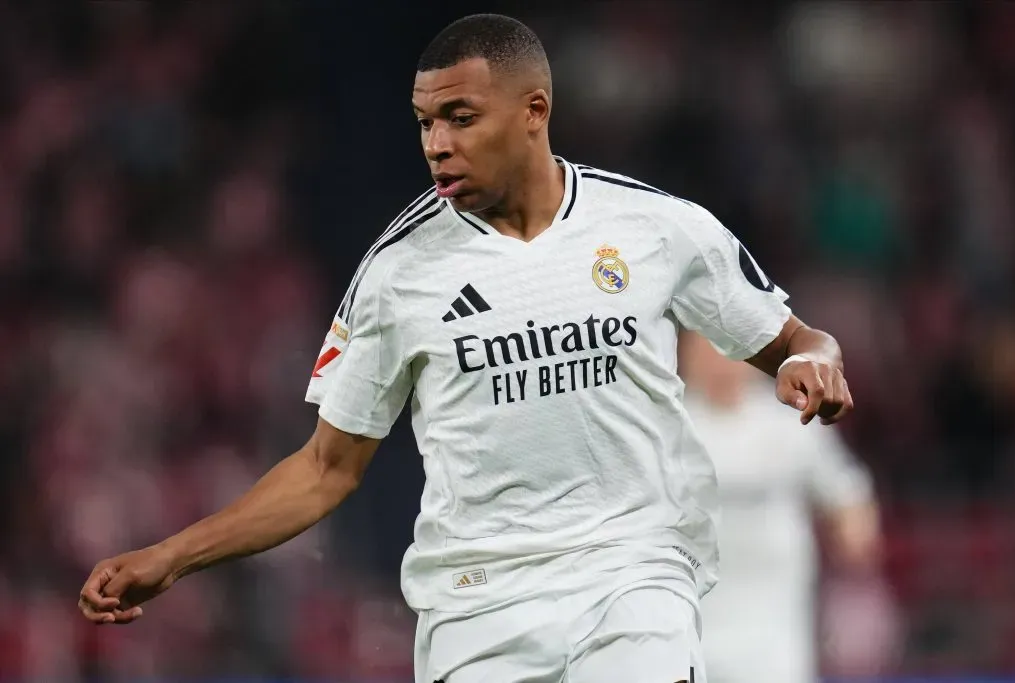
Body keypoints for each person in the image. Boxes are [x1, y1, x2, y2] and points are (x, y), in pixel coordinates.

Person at [78, 14, 855, 683]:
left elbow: (792, 336)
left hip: (634, 574)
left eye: (460, 117)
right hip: (479, 604)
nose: (437, 144)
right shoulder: (398, 273)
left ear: (534, 111)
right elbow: (324, 468)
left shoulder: (653, 227)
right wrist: (173, 556)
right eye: (425, 123)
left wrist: (812, 359)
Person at [680, 332, 880, 683]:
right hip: (689, 633)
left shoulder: (790, 422)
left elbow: (846, 493)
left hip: (773, 635)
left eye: (722, 347)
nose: (716, 360)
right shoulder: (668, 426)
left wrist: (855, 530)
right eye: (703, 348)